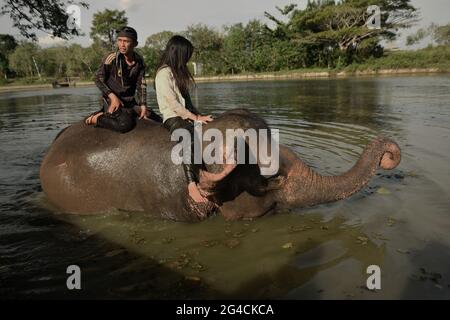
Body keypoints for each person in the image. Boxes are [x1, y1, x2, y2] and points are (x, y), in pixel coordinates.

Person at [154, 35, 213, 204]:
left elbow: (188, 103)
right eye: (186, 55)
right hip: (172, 117)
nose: (188, 59)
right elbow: (173, 104)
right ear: (177, 53)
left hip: (186, 114)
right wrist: (193, 118)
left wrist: (200, 116)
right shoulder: (163, 74)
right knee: (187, 135)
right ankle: (191, 185)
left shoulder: (178, 72)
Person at [85, 26, 162, 132]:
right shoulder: (111, 58)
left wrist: (143, 104)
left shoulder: (139, 61)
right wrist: (113, 97)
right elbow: (98, 78)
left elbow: (141, 85)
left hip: (130, 103)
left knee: (158, 120)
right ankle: (97, 118)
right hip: (113, 101)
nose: (122, 45)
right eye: (119, 40)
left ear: (135, 44)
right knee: (124, 125)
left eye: (126, 41)